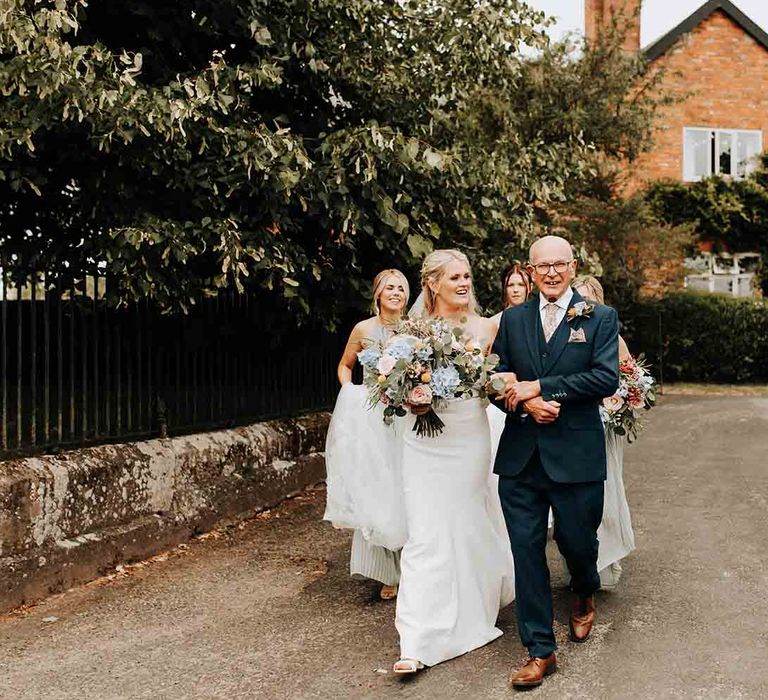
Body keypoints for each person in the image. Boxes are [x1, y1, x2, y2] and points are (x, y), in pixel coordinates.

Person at [492, 236, 619, 689]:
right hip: (522, 458)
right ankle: (540, 650)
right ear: (529, 269)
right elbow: (496, 374)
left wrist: (543, 387)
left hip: (576, 456)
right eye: (541, 266)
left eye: (559, 265)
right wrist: (525, 403)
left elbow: (605, 377)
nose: (550, 273)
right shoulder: (512, 318)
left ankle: (583, 591)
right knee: (526, 552)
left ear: (573, 266)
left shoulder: (600, 317)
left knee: (578, 544)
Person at [393, 249, 515, 674]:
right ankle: (416, 640)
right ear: (433, 284)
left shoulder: (486, 327)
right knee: (425, 534)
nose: (464, 283)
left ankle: (474, 610)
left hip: (468, 438)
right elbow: (393, 386)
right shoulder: (410, 332)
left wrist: (505, 383)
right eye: (454, 278)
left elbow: (499, 379)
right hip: (423, 445)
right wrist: (410, 396)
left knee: (465, 525)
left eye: (467, 276)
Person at [324, 269, 410, 601]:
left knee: (405, 489)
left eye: (401, 288)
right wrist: (352, 394)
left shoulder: (413, 328)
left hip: (405, 417)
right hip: (374, 418)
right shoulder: (364, 329)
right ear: (377, 293)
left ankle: (410, 568)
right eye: (390, 287)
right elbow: (345, 365)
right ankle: (389, 573)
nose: (396, 293)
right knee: (379, 488)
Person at [572, 275, 635, 590]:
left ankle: (606, 562)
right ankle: (582, 564)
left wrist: (616, 405)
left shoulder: (615, 339)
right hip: (575, 428)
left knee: (607, 489)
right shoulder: (566, 337)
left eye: (588, 300)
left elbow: (630, 382)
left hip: (605, 427)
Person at [490, 262, 533, 329]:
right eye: (510, 285)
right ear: (504, 288)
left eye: (521, 285)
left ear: (530, 287)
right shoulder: (494, 324)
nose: (515, 290)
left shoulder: (538, 320)